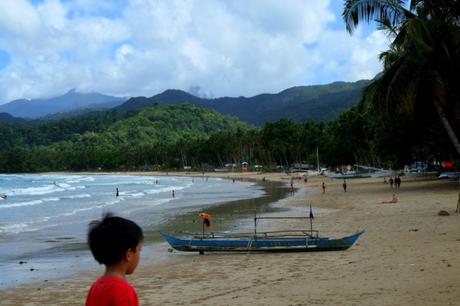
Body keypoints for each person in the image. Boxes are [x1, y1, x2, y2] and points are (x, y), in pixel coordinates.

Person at [86, 213, 143, 306]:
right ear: (128, 254)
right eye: (139, 250)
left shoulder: (95, 287)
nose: (139, 254)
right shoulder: (124, 291)